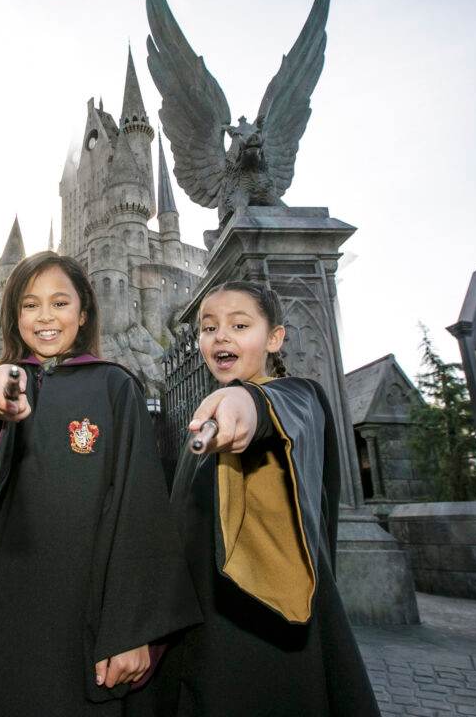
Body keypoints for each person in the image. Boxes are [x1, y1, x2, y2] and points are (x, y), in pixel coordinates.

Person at [0, 251, 201, 717]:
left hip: (78, 599)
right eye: (30, 304)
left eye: (60, 303)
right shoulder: (3, 383)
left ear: (83, 312)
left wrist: (133, 628)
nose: (45, 316)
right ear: (14, 316)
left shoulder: (114, 386)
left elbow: (138, 507)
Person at [128, 281, 380, 716]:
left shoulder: (301, 398)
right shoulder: (200, 431)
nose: (220, 336)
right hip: (198, 632)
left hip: (267, 639)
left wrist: (244, 403)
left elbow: (269, 411)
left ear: (274, 338)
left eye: (239, 325)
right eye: (209, 328)